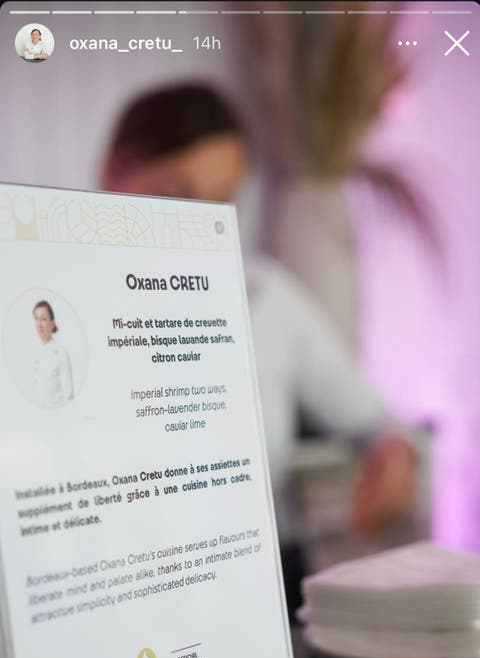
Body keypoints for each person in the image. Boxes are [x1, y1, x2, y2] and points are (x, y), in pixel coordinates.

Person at [100, 83, 414, 614]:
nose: (200, 225)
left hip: (262, 582)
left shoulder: (269, 297)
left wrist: (393, 452)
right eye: (175, 197)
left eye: (222, 200)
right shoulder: (53, 305)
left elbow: (376, 422)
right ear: (113, 173)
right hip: (122, 587)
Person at [32, 300, 73, 407]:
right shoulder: (34, 352)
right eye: (36, 319)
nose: (39, 324)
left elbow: (69, 396)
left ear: (52, 323)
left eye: (43, 319)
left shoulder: (61, 354)